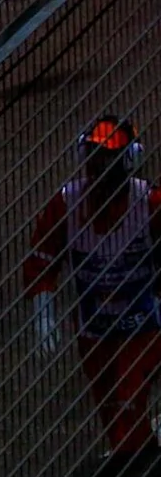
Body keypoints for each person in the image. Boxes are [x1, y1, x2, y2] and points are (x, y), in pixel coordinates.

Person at [25, 116, 159, 456]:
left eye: (109, 158)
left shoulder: (149, 202)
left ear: (129, 159)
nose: (100, 167)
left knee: (129, 400)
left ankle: (139, 468)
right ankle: (136, 458)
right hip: (94, 329)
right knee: (111, 408)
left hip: (143, 326)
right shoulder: (66, 204)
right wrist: (43, 313)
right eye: (95, 156)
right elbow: (41, 261)